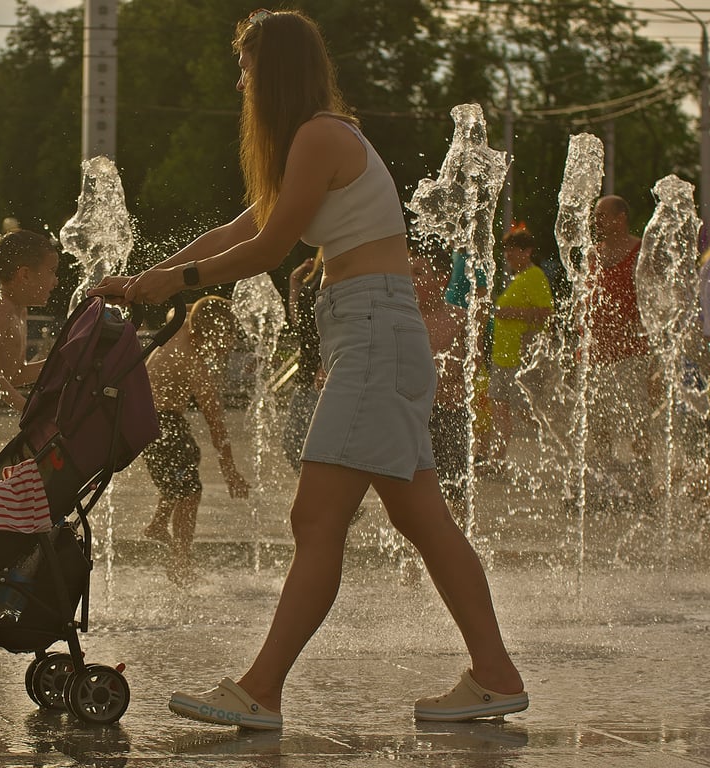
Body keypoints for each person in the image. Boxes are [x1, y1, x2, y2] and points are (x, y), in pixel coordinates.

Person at [90, 9, 525, 728]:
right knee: (424, 520)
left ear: (275, 72)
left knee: (315, 519)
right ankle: (495, 672)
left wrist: (179, 280)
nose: (240, 82)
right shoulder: (312, 142)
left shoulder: (321, 135)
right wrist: (147, 278)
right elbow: (243, 228)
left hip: (374, 337)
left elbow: (269, 250)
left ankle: (261, 688)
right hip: (375, 334)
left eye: (247, 67)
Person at [139, 295, 250, 579]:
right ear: (209, 333)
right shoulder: (192, 363)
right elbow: (216, 425)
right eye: (225, 337)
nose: (228, 344)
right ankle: (181, 562)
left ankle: (159, 523)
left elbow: (178, 308)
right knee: (190, 492)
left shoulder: (180, 325)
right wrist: (231, 473)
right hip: (160, 424)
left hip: (152, 420)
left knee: (183, 466)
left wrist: (214, 305)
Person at [0, 229, 59, 465]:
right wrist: (23, 406)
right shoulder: (0, 308)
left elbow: (13, 374)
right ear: (25, 275)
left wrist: (60, 362)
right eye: (52, 272)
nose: (56, 282)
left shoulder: (19, 311)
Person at [586, 195, 659, 496]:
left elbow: (654, 304)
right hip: (597, 354)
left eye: (602, 215)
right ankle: (604, 480)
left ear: (621, 218)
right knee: (598, 423)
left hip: (632, 355)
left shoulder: (640, 252)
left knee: (637, 421)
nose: (596, 221)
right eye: (595, 215)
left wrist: (656, 360)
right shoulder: (593, 254)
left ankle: (644, 480)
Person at [483, 225, 553, 467]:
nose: (508, 257)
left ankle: (558, 444)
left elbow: (546, 312)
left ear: (528, 251)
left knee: (528, 412)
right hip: (502, 355)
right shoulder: (518, 278)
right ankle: (497, 460)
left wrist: (512, 313)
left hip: (518, 357)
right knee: (500, 410)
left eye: (513, 252)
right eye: (507, 253)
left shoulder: (535, 276)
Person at [413, 252, 470, 523]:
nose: (410, 281)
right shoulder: (404, 320)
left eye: (419, 274)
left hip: (448, 415)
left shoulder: (459, 319)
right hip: (412, 418)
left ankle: (456, 544)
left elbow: (472, 367)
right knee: (411, 492)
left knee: (454, 491)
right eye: (407, 273)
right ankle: (412, 559)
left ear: (443, 279)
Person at [281, 248, 324, 470]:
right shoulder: (318, 273)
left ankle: (334, 501)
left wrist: (326, 365)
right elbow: (300, 321)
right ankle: (334, 501)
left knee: (313, 448)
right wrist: (294, 283)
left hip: (324, 374)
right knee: (293, 444)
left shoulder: (342, 270)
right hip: (307, 372)